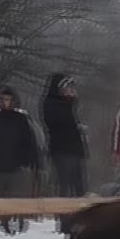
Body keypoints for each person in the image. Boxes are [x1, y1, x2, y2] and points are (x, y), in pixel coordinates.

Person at [0, 86, 40, 235]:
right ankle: (4, 224)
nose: (6, 102)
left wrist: (31, 162)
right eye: (3, 99)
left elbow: (29, 142)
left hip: (17, 165)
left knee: (17, 196)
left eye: (8, 100)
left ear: (13, 101)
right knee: (1, 197)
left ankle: (18, 222)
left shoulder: (20, 119)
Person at [41, 73, 87, 209]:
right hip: (61, 150)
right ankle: (64, 220)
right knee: (65, 185)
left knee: (79, 186)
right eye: (67, 87)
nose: (71, 90)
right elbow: (60, 123)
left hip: (73, 150)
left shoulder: (68, 105)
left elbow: (70, 124)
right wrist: (69, 102)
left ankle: (81, 216)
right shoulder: (51, 103)